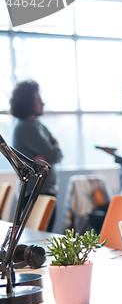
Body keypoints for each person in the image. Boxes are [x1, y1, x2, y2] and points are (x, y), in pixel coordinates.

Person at [10, 80, 63, 232]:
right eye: (38, 100)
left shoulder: (38, 126)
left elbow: (55, 156)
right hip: (36, 192)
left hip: (44, 191)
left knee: (43, 238)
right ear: (28, 103)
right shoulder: (26, 127)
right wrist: (54, 148)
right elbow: (52, 153)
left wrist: (54, 150)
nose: (43, 103)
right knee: (39, 240)